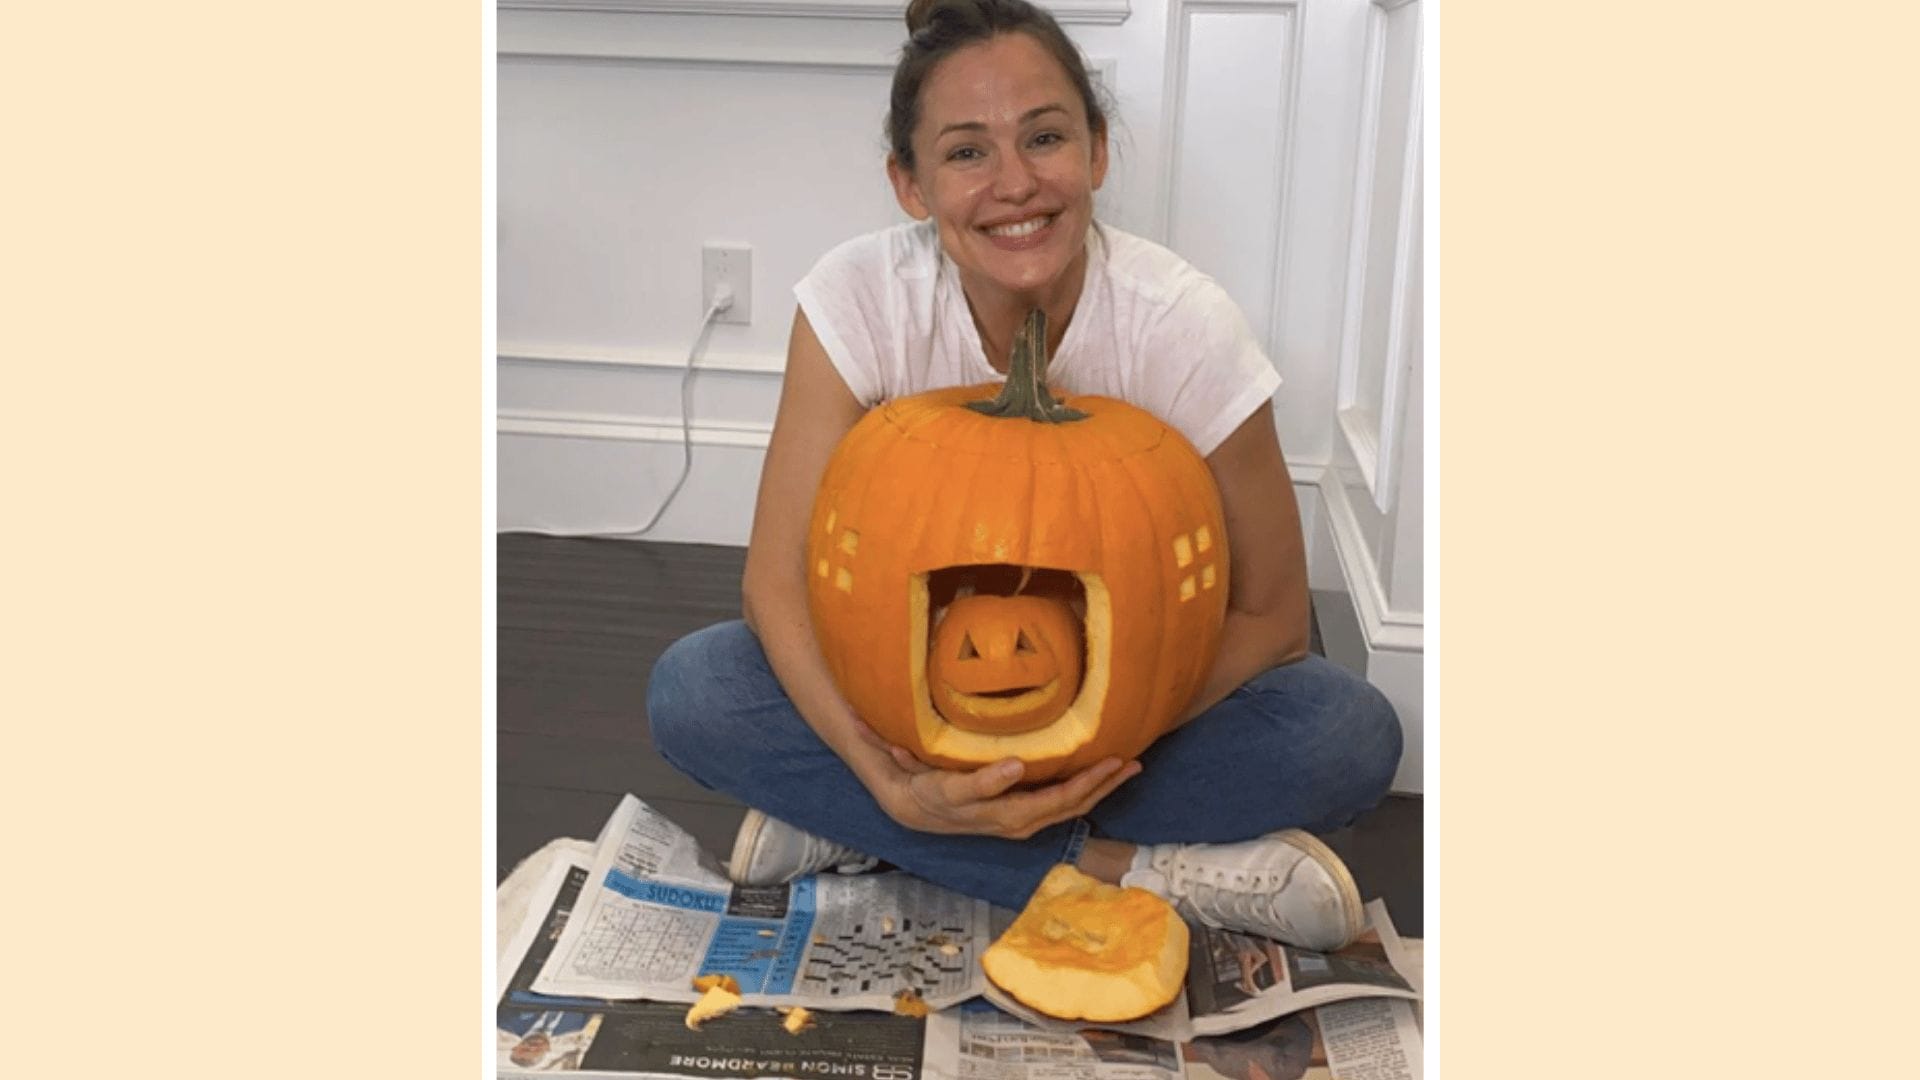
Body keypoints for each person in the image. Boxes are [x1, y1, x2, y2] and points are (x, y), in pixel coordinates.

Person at [646, 0, 1401, 952]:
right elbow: (775, 584)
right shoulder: (856, 298)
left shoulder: (1182, 324)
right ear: (910, 184)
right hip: (906, 721)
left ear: (1095, 153)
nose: (1015, 184)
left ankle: (861, 832)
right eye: (966, 153)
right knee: (697, 688)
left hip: (1127, 730)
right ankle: (1124, 869)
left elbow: (1276, 619)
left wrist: (1077, 742)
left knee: (1346, 732)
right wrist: (893, 781)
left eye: (1043, 137)